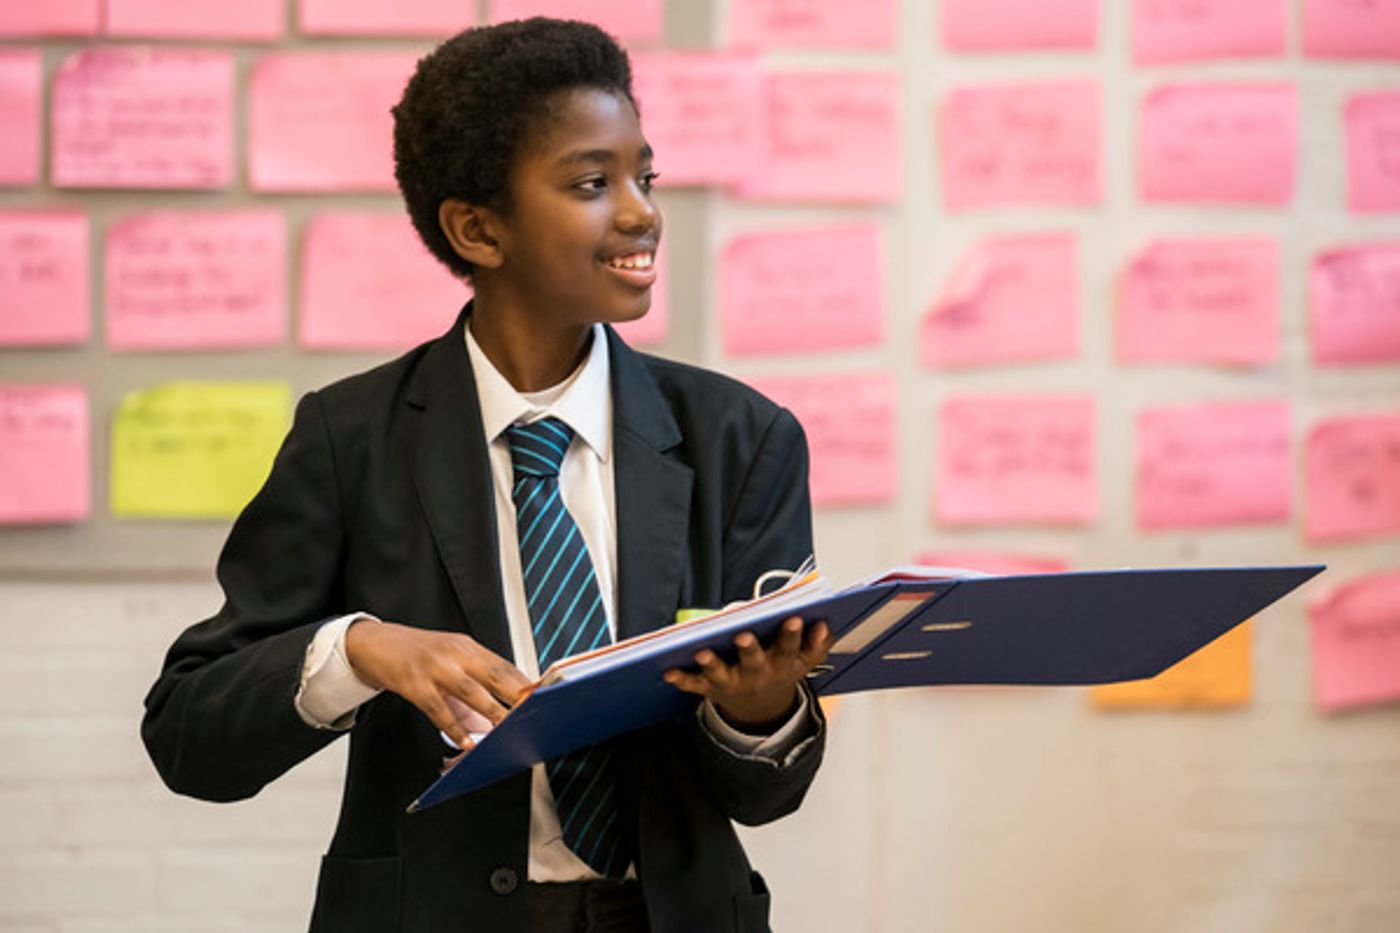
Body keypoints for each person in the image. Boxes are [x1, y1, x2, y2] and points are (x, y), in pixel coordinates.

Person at [141, 17, 832, 933]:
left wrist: (759, 711)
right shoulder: (351, 438)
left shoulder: (743, 440)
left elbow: (763, 796)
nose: (640, 211)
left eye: (644, 175)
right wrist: (360, 650)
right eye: (593, 182)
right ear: (478, 228)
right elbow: (190, 737)